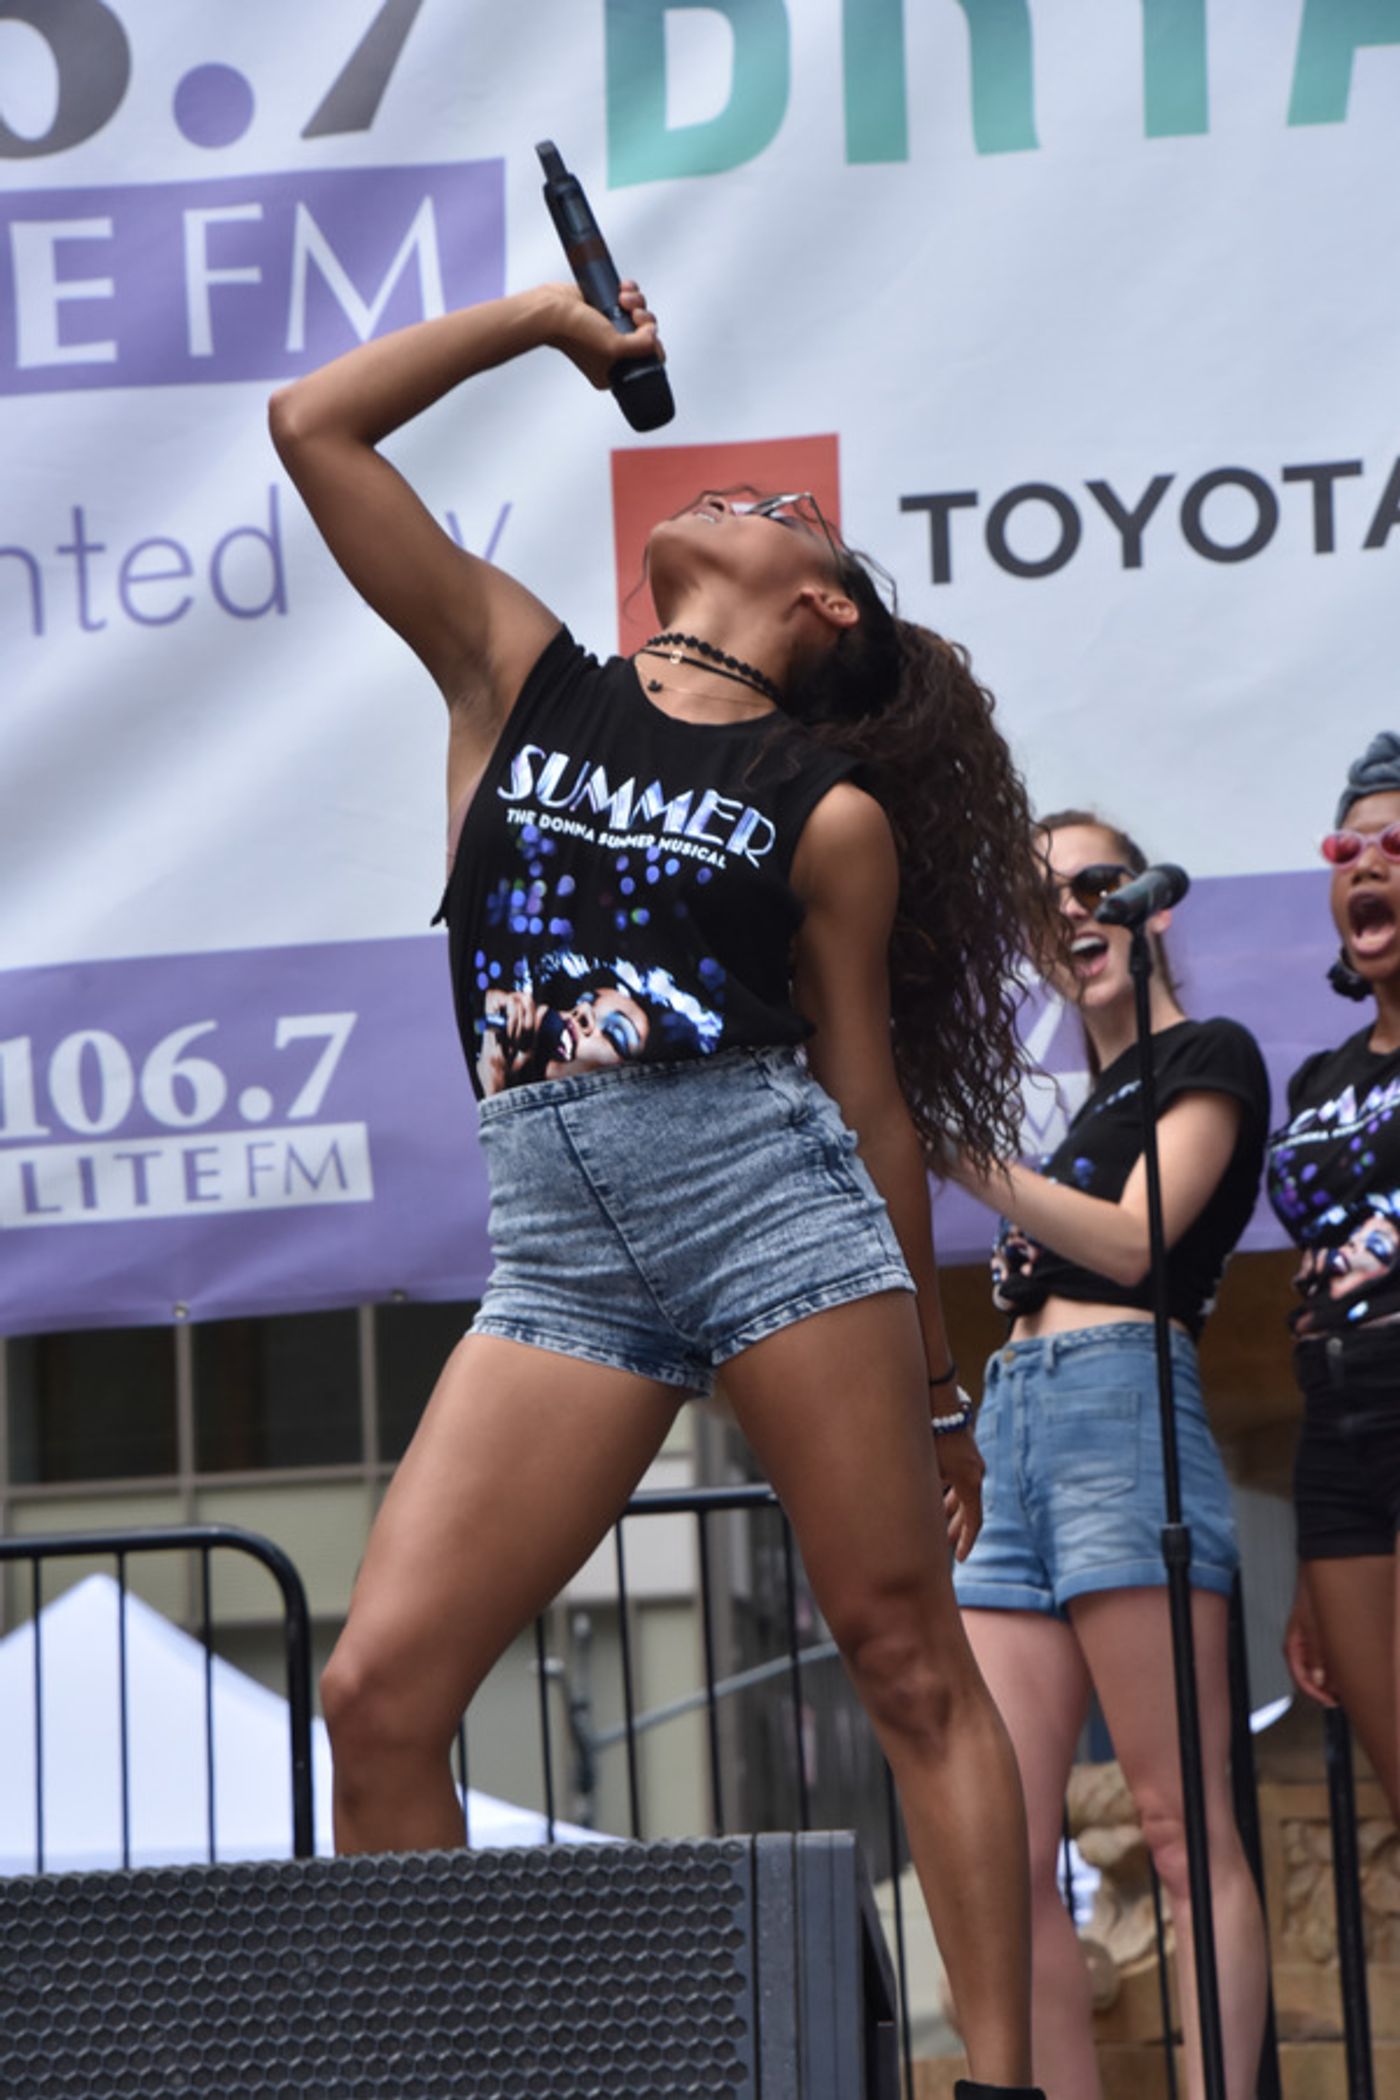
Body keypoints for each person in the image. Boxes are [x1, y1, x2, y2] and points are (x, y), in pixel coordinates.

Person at [269, 278, 1051, 2099]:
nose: (757, 499)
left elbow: (865, 1113)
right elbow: (317, 425)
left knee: (903, 1655)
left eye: (795, 520)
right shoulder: (516, 671)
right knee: (377, 1696)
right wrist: (547, 319)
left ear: (820, 611)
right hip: (559, 1252)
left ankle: (1008, 2081)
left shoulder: (824, 811)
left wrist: (941, 1394)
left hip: (767, 1199)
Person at [943, 812, 1271, 2100]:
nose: (1068, 911)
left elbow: (1137, 1243)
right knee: (1007, 1850)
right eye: (1040, 900)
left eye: (1091, 884)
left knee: (1179, 1832)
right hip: (1014, 1417)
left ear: (1149, 907)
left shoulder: (1208, 1055)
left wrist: (973, 1163)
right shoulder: (1080, 1115)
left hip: (1118, 1407)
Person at [1271, 731, 1400, 1820]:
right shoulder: (1319, 1075)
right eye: (1345, 846)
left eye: (1395, 843)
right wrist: (1310, 1571)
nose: (1365, 863)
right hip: (1336, 1435)